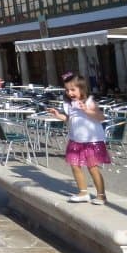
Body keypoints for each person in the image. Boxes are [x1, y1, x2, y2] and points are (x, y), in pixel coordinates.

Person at [46, 72, 110, 205]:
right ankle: (83, 192)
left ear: (82, 89)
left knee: (92, 167)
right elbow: (69, 119)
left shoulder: (89, 101)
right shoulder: (69, 104)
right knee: (75, 166)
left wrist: (87, 110)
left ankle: (101, 195)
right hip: (76, 139)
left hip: (91, 140)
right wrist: (58, 115)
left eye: (73, 89)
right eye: (67, 90)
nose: (70, 93)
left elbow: (101, 117)